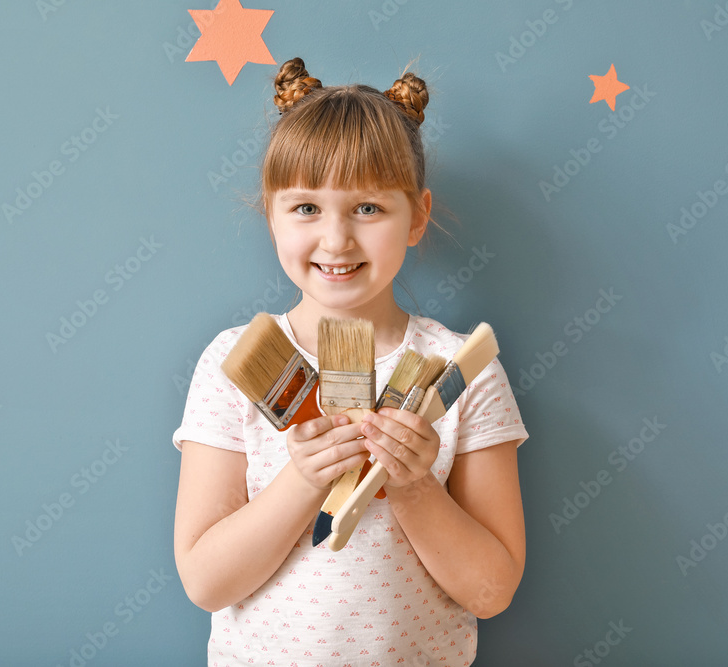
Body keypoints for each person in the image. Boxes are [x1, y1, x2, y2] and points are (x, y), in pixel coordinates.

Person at [173, 56, 529, 666]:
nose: (336, 240)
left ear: (417, 215)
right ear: (271, 214)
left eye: (368, 209)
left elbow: (491, 591)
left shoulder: (458, 369)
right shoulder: (237, 362)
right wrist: (303, 481)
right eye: (306, 208)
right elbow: (206, 583)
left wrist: (415, 488)